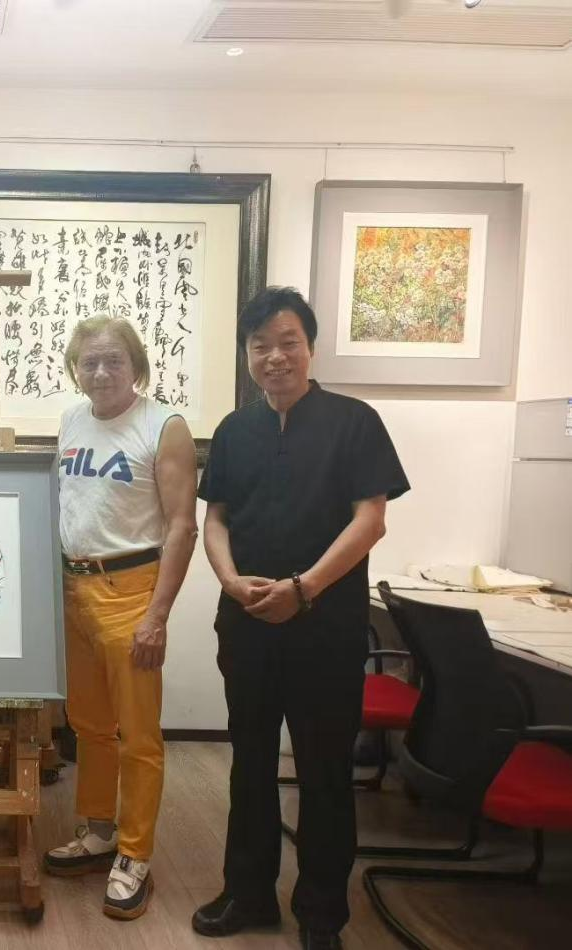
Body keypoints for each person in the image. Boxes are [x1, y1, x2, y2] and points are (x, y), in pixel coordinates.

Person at [191, 287, 409, 950]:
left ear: (309, 347)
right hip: (247, 623)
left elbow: (370, 520)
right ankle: (248, 893)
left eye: (288, 342)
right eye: (260, 345)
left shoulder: (354, 421)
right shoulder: (234, 430)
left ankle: (321, 914)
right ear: (246, 355)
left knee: (323, 771)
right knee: (250, 761)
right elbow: (216, 519)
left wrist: (304, 588)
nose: (274, 357)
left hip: (326, 626)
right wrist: (229, 581)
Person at [43, 315, 199, 920]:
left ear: (137, 365)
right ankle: (98, 831)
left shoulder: (165, 426)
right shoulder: (72, 420)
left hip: (132, 591)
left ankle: (135, 854)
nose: (102, 372)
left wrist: (157, 615)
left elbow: (181, 526)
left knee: (138, 735)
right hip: (73, 589)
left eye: (114, 360)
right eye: (90, 362)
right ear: (75, 369)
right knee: (89, 725)